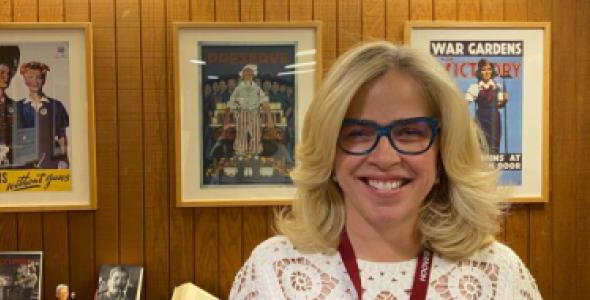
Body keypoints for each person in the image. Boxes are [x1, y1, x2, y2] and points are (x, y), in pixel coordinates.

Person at [229, 42, 541, 299]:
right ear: (329, 156)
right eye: (358, 133)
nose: (385, 157)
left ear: (443, 153)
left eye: (410, 132)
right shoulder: (273, 273)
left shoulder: (499, 275)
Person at [15, 61, 70, 169]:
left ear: (44, 80)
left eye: (39, 77)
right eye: (30, 77)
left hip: (51, 161)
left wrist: (64, 159)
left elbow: (61, 136)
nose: (34, 81)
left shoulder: (56, 106)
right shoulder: (18, 107)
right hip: (26, 162)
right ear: (25, 80)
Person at [226, 64, 273, 158]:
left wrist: (269, 119)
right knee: (241, 134)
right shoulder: (238, 89)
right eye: (246, 74)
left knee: (256, 134)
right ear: (242, 76)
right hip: (241, 114)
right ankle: (240, 154)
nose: (248, 76)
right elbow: (230, 104)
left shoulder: (257, 89)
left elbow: (265, 104)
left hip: (254, 114)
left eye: (250, 74)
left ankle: (256, 154)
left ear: (253, 76)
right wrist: (226, 119)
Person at [464, 58, 508, 153]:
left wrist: (504, 100)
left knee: (494, 147)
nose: (487, 72)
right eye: (484, 69)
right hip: (480, 119)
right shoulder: (475, 87)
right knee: (481, 147)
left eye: (489, 69)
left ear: (492, 71)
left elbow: (499, 105)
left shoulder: (498, 86)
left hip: (494, 120)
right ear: (480, 72)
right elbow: (464, 104)